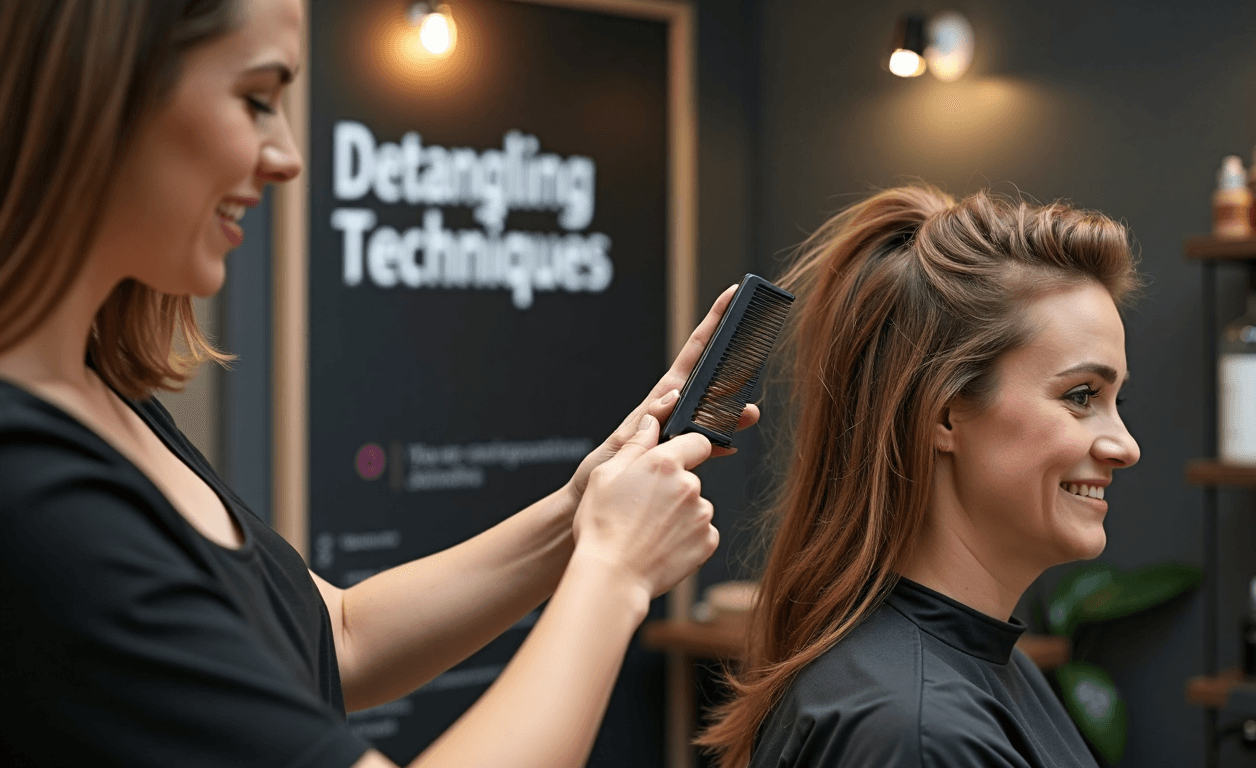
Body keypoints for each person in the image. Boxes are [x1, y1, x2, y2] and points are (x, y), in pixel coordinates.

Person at [0, 1, 758, 766]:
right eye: (257, 99)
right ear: (99, 93)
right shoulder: (29, 483)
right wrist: (614, 574)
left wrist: (580, 511)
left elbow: (336, 637)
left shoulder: (104, 398)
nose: (288, 155)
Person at [698, 185, 1142, 768]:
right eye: (1081, 395)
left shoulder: (980, 666)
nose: (1125, 447)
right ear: (943, 413)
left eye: (1117, 400)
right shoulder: (923, 733)